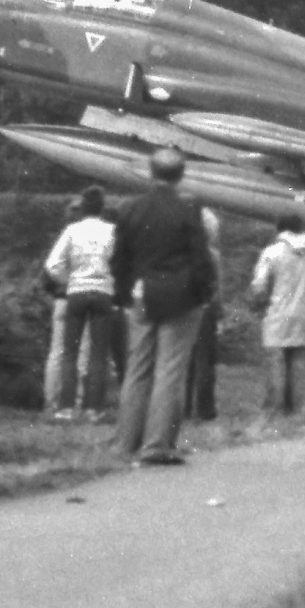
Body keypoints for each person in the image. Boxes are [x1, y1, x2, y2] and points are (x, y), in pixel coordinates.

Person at [110, 148, 217, 465]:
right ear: (181, 174)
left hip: (142, 293)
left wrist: (123, 294)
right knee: (170, 371)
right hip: (181, 295)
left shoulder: (130, 208)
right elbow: (200, 257)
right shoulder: (188, 209)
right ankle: (157, 445)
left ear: (150, 171)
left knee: (137, 369)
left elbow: (119, 258)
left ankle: (125, 442)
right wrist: (203, 292)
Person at [45, 185, 118, 422]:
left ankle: (65, 408)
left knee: (69, 352)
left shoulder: (72, 230)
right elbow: (121, 261)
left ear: (83, 208)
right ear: (102, 208)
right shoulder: (112, 231)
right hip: (103, 291)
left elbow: (53, 264)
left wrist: (69, 281)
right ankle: (93, 409)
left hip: (76, 291)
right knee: (98, 353)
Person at [250, 213, 305, 415]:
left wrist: (260, 301)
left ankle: (275, 407)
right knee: (298, 360)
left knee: (276, 359)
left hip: (277, 312)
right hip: (303, 312)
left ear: (279, 229)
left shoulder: (272, 252)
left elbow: (259, 284)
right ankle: (296, 408)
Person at [42, 197, 88, 416]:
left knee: (57, 354)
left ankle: (51, 403)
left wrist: (62, 285)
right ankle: (76, 403)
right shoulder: (92, 239)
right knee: (81, 353)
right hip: (83, 297)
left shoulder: (63, 238)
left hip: (62, 300)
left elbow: (47, 276)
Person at [185, 208, 223, 421]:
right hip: (206, 309)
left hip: (185, 308)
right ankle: (205, 409)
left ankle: (183, 408)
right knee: (205, 361)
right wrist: (219, 312)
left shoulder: (182, 253)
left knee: (184, 362)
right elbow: (218, 288)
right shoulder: (213, 255)